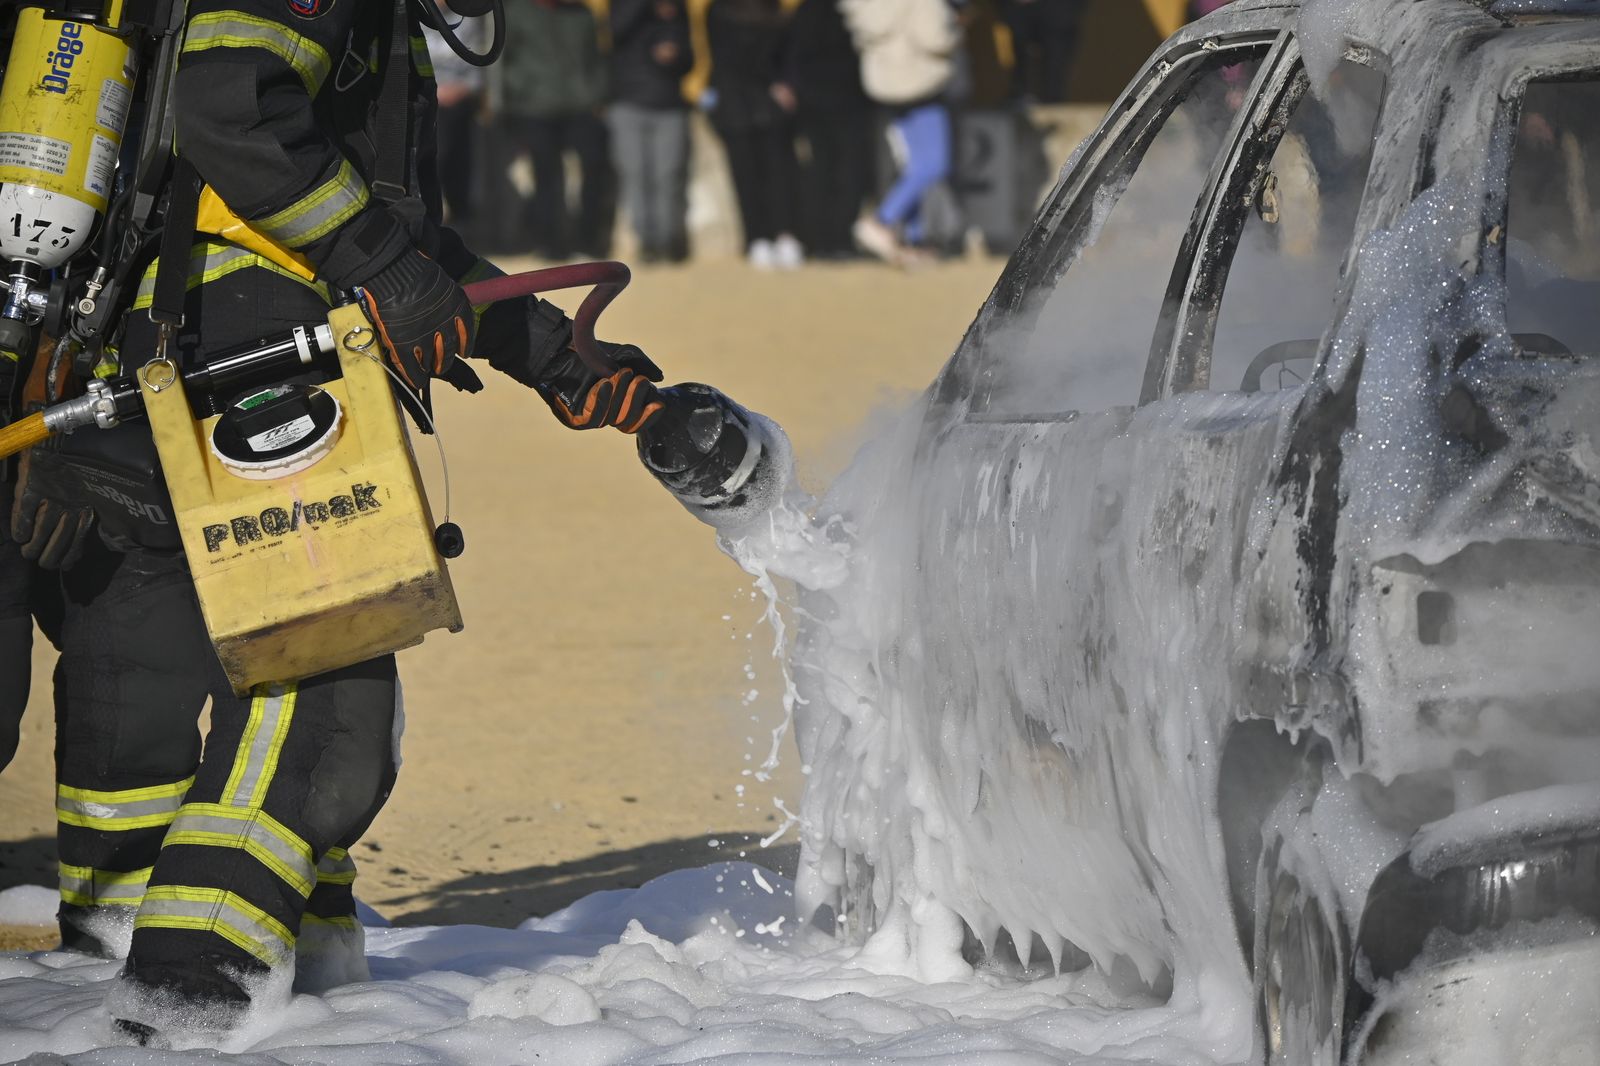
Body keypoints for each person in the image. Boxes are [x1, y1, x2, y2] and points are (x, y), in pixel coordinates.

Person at [7, 0, 672, 1041]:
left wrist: (550, 356)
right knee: (325, 710)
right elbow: (229, 103)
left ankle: (106, 977)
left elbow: (388, 228)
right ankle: (183, 1000)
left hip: (149, 366)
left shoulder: (375, 25)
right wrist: (386, 272)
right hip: (258, 358)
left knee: (136, 679)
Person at [842, 0, 962, 265]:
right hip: (923, 83)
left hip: (886, 85)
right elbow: (935, 38)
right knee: (933, 164)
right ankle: (881, 220)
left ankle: (912, 240)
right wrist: (957, 29)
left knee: (913, 164)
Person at [498, 0, 613, 260]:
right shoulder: (514, 12)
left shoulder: (582, 14)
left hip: (581, 106)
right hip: (534, 108)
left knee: (594, 167)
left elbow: (596, 56)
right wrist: (519, 91)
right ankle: (551, 244)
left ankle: (590, 241)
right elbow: (501, 60)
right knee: (547, 175)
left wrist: (597, 94)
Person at [705, 0, 805, 269]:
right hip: (736, 105)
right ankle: (757, 239)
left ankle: (786, 235)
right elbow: (726, 58)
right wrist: (771, 81)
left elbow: (790, 56)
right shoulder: (719, 10)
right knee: (746, 176)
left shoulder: (778, 12)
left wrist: (787, 84)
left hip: (772, 109)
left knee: (781, 174)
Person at [783, 0, 873, 260]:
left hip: (824, 102)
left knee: (827, 171)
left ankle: (826, 241)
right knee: (841, 172)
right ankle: (833, 240)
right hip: (837, 102)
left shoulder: (807, 10)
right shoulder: (847, 9)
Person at [609, 0, 696, 262]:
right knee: (634, 173)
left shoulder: (676, 9)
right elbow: (614, 32)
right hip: (628, 101)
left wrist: (675, 55)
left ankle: (666, 241)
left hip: (669, 103)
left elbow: (690, 58)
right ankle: (646, 242)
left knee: (668, 175)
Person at [424, 3, 490, 231]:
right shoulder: (413, 18)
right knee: (433, 160)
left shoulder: (468, 20)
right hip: (428, 102)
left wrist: (462, 89)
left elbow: (479, 65)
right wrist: (434, 91)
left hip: (460, 103)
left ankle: (463, 219)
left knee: (460, 164)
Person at [1000, 0, 1087, 104]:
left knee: (1056, 60)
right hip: (1016, 11)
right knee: (1015, 44)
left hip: (1060, 11)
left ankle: (1052, 99)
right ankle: (1020, 93)